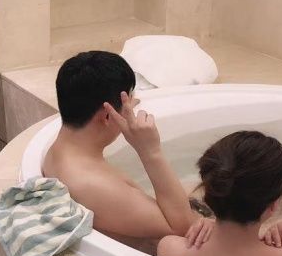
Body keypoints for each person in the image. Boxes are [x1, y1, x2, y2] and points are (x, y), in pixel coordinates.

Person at [42, 50, 199, 242]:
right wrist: (151, 151)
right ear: (107, 116)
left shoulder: (62, 148)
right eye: (127, 103)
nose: (130, 109)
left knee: (199, 187)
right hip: (153, 249)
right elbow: (184, 228)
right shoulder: (93, 185)